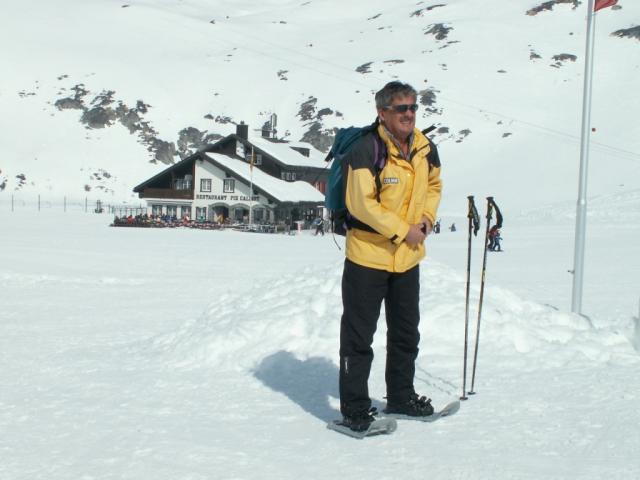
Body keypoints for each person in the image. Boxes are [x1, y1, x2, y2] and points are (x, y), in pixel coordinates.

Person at [338, 81, 443, 432]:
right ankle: (354, 410)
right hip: (368, 257)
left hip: (407, 258)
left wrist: (426, 219)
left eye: (413, 107)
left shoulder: (425, 148)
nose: (409, 114)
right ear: (382, 113)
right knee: (358, 338)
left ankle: (400, 397)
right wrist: (403, 230)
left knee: (405, 333)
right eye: (402, 108)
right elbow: (361, 204)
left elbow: (434, 185)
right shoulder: (366, 150)